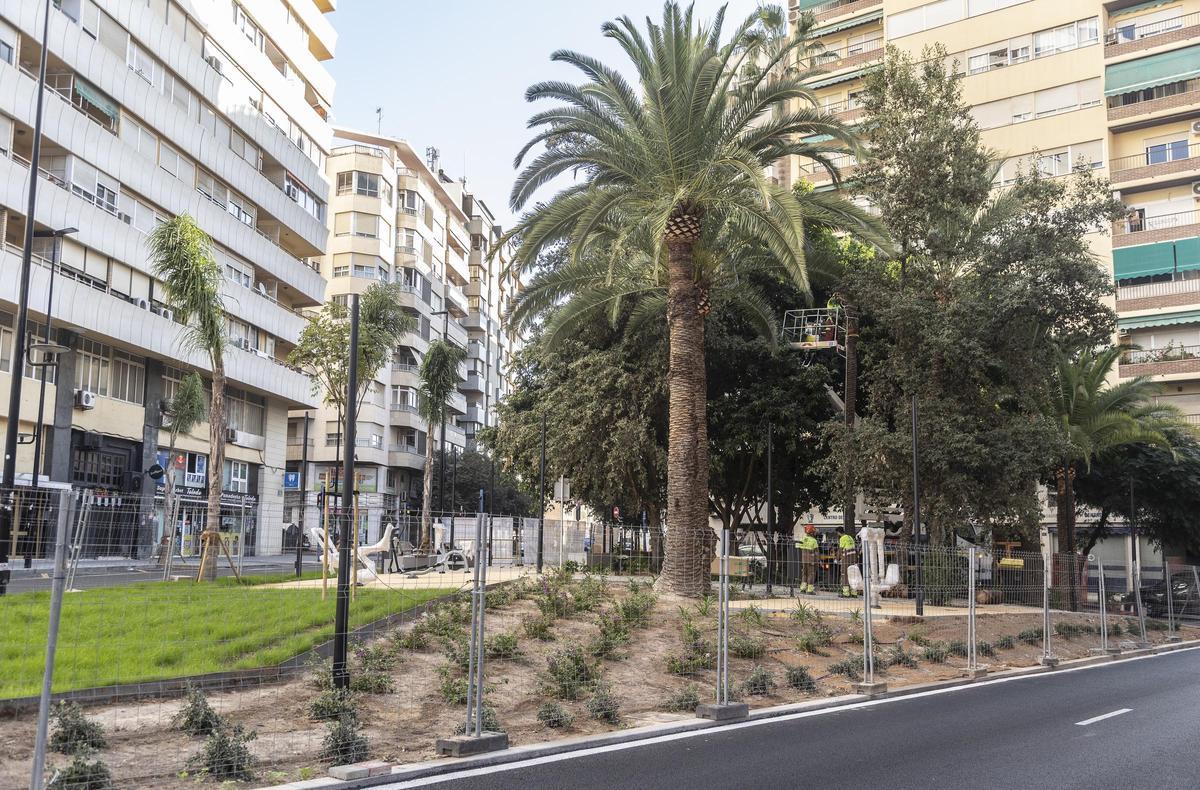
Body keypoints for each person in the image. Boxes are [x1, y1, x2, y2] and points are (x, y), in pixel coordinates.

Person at [796, 525, 819, 595]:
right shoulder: (814, 541)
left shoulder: (803, 538)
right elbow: (816, 552)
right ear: (812, 532)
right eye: (814, 531)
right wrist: (818, 561)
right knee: (811, 574)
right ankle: (810, 590)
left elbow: (798, 547)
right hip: (811, 560)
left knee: (804, 574)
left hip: (804, 559)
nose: (815, 533)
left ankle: (802, 589)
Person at [839, 530, 857, 597]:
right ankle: (854, 592)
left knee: (845, 575)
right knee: (853, 575)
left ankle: (846, 593)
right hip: (853, 558)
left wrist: (837, 558)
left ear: (839, 532)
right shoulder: (850, 537)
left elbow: (841, 549)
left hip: (846, 558)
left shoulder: (842, 538)